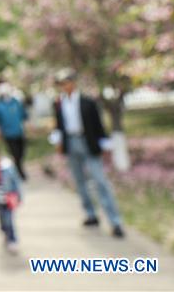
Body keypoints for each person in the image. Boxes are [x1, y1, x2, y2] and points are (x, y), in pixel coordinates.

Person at [50, 69, 125, 238]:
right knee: (79, 181)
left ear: (73, 82)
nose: (65, 86)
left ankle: (115, 221)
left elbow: (98, 125)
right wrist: (59, 142)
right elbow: (59, 125)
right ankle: (90, 213)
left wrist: (104, 144)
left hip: (88, 142)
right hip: (71, 142)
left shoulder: (87, 102)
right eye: (61, 84)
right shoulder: (58, 103)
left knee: (100, 181)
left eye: (67, 82)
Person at [0, 79, 29, 180]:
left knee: (21, 153)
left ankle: (18, 168)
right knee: (15, 153)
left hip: (19, 132)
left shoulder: (16, 102)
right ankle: (20, 173)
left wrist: (27, 127)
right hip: (8, 134)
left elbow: (24, 116)